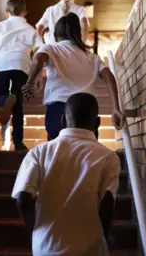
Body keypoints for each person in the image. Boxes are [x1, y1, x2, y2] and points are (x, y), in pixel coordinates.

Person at [12, 93, 121, 256]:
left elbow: (23, 197)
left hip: (46, 249)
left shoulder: (39, 153)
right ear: (98, 122)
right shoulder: (108, 157)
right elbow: (107, 203)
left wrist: (36, 231)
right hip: (90, 249)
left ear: (63, 120)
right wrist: (106, 234)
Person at [22, 13, 125, 140]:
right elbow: (109, 76)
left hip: (59, 108)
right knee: (86, 153)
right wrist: (116, 108)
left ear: (55, 35)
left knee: (58, 152)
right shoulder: (92, 57)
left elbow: (37, 60)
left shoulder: (51, 48)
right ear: (78, 34)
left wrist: (30, 82)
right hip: (87, 110)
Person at [0, 0, 43, 151]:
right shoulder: (30, 28)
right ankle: (18, 141)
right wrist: (38, 75)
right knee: (18, 106)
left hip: (1, 65)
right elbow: (40, 50)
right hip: (21, 65)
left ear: (7, 12)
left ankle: (5, 100)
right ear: (24, 12)